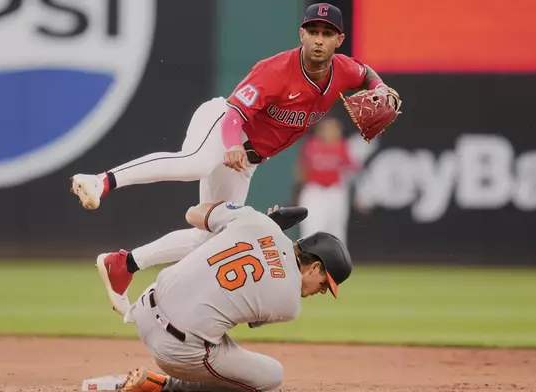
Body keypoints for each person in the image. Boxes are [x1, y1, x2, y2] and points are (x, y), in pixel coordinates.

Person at [70, 3, 395, 298]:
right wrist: (232, 145)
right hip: (223, 125)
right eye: (312, 31)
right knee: (195, 164)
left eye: (327, 33)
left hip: (248, 159)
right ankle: (102, 181)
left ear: (339, 39)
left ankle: (123, 265)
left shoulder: (344, 70)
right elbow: (234, 115)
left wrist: (380, 89)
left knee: (214, 236)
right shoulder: (276, 71)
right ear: (302, 34)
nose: (319, 40)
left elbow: (366, 74)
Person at [96, 200, 353, 392]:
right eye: (324, 284)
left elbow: (192, 214)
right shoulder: (290, 303)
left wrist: (260, 222)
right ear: (315, 266)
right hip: (174, 352)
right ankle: (165, 386)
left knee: (212, 325)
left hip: (144, 308)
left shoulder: (257, 221)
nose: (321, 291)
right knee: (270, 377)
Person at [295, 115, 360, 242]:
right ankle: (308, 259)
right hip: (314, 189)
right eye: (328, 129)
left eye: (334, 129)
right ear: (321, 130)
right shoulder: (311, 144)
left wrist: (356, 194)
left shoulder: (342, 146)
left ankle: (336, 260)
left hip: (334, 190)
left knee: (336, 230)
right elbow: (302, 169)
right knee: (311, 228)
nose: (332, 132)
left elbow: (352, 170)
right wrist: (298, 190)